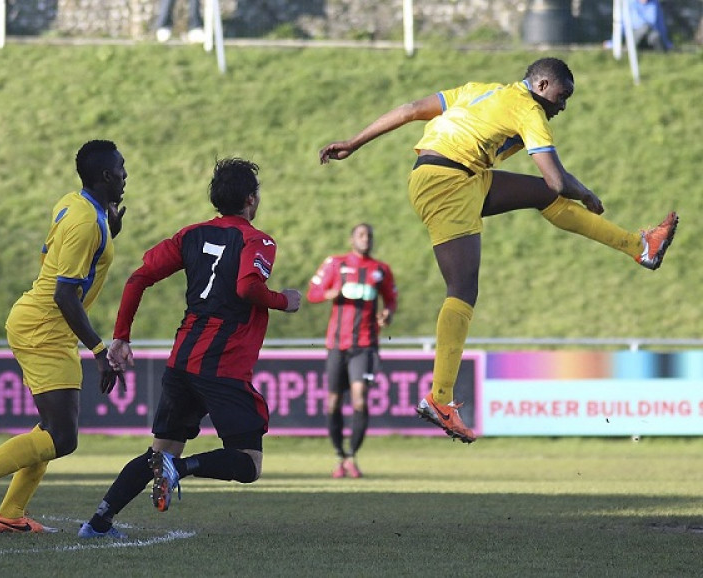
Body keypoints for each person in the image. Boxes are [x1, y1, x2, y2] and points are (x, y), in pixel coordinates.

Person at [318, 57, 678, 444]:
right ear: (541, 85)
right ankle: (439, 399)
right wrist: (587, 193)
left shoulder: (480, 91)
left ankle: (641, 246)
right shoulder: (529, 108)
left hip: (455, 175)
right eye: (562, 95)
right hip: (448, 183)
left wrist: (354, 142)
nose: (563, 106)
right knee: (462, 289)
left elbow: (409, 111)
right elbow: (557, 179)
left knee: (540, 197)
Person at [77, 157, 302, 540]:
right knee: (249, 463)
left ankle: (98, 523)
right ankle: (178, 471)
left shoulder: (191, 235)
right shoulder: (257, 240)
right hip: (222, 365)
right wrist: (284, 300)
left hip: (182, 360)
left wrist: (122, 336)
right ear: (251, 199)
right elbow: (247, 287)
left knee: (159, 452)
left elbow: (139, 278)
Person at [0, 140, 126, 534]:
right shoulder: (86, 222)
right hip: (46, 327)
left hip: (43, 323)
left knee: (51, 428)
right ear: (106, 176)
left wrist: (109, 226)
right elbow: (64, 293)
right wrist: (99, 350)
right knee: (63, 436)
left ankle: (10, 515)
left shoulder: (79, 205)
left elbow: (72, 263)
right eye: (122, 169)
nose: (126, 175)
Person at [307, 222, 397, 478]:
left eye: (369, 235)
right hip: (337, 344)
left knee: (360, 399)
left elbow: (391, 299)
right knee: (333, 401)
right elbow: (313, 292)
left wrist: (388, 314)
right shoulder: (335, 264)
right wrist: (329, 293)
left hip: (365, 346)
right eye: (361, 235)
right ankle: (339, 455)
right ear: (351, 240)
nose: (366, 239)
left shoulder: (380, 270)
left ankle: (352, 456)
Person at [604, 0, 673, 51]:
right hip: (635, 35)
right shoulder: (629, 3)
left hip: (650, 36)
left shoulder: (655, 3)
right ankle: (627, 50)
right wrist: (613, 42)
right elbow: (621, 24)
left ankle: (662, 59)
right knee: (645, 27)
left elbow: (660, 24)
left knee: (655, 36)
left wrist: (666, 42)